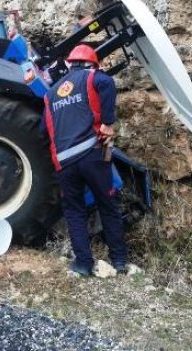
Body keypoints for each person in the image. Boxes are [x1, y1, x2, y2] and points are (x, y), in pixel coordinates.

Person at [42, 44, 128, 277]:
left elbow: (44, 129)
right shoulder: (94, 77)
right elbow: (107, 84)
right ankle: (119, 261)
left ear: (69, 64)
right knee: (107, 205)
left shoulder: (50, 94)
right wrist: (108, 122)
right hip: (92, 154)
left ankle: (83, 264)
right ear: (92, 64)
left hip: (64, 163)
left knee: (74, 211)